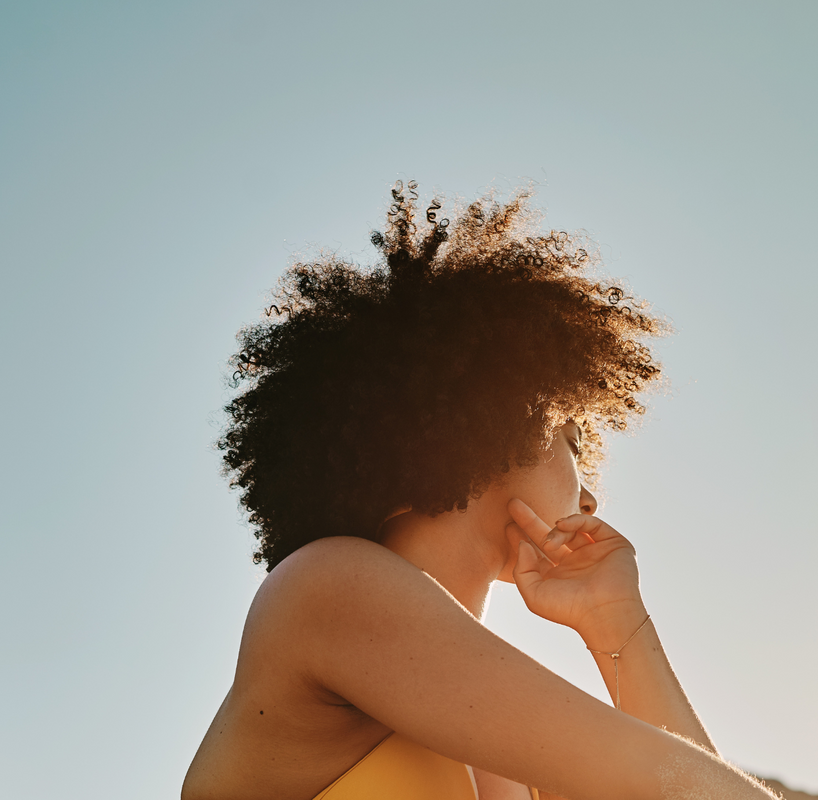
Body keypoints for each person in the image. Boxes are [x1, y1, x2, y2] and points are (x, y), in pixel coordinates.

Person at [182, 183, 777, 800]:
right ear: (504, 418)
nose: (592, 498)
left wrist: (615, 622)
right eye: (573, 443)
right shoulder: (328, 588)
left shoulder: (500, 765)